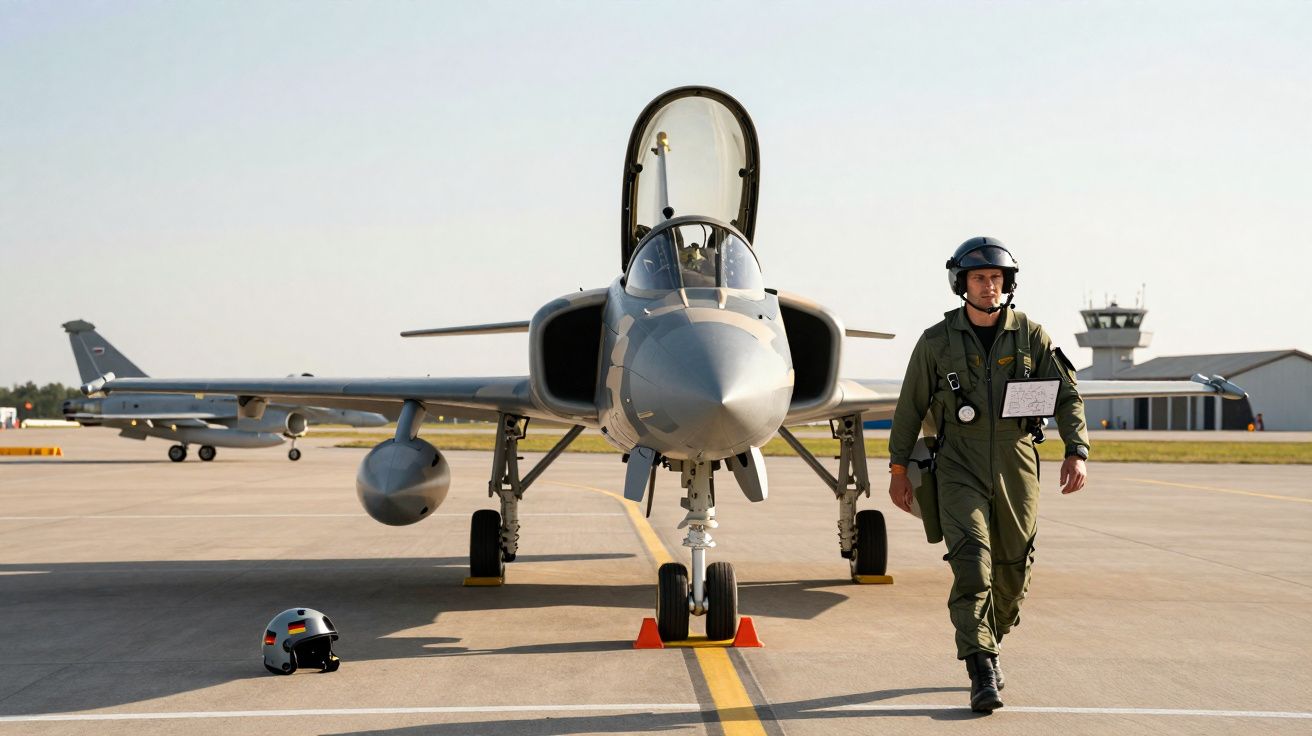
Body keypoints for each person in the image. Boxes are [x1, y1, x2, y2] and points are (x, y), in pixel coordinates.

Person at [887, 236, 1089, 713]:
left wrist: (1076, 450)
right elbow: (909, 407)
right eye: (979, 278)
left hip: (1018, 462)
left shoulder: (1032, 336)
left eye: (996, 278)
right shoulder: (936, 341)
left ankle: (989, 640)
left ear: (1007, 283)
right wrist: (898, 469)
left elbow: (1067, 396)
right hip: (959, 463)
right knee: (972, 562)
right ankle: (980, 666)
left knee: (1013, 569)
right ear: (962, 284)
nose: (988, 287)